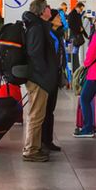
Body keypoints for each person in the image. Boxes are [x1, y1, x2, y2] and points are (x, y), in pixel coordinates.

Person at [21, 0, 60, 162]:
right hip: (38, 79)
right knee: (36, 115)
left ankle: (34, 147)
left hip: (40, 78)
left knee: (38, 114)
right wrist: (45, 73)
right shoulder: (37, 27)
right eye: (48, 8)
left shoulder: (37, 25)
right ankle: (31, 150)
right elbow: (35, 53)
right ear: (42, 11)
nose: (50, 11)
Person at [42, 10, 68, 153]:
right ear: (51, 19)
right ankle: (41, 140)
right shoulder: (47, 34)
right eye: (58, 17)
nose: (60, 19)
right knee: (44, 110)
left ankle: (48, 140)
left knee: (50, 110)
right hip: (47, 77)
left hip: (56, 75)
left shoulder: (58, 34)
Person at [67, 2, 87, 72]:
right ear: (77, 7)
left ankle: (75, 67)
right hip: (74, 37)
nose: (81, 11)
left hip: (75, 36)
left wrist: (86, 35)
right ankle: (74, 68)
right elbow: (70, 25)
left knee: (74, 53)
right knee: (73, 53)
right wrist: (79, 29)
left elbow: (80, 26)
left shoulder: (77, 14)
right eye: (81, 9)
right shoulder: (72, 15)